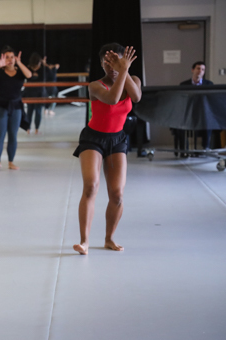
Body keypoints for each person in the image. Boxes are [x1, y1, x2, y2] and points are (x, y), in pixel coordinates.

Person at [72, 43, 142, 255]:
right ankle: (84, 241)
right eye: (107, 61)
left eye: (116, 61)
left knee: (117, 194)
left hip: (117, 139)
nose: (111, 66)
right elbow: (112, 99)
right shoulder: (94, 86)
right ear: (102, 63)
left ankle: (109, 238)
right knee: (91, 186)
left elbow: (137, 97)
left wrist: (124, 69)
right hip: (93, 138)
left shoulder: (133, 80)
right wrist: (123, 69)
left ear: (124, 61)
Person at [0, 46, 32, 170]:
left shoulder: (20, 72)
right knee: (0, 133)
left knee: (13, 135)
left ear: (15, 58)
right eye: (7, 57)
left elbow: (29, 75)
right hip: (0, 106)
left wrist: (20, 63)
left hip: (16, 106)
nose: (10, 60)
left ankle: (11, 162)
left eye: (12, 57)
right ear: (2, 58)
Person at [173, 61, 214, 154]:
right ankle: (184, 149)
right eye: (198, 68)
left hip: (203, 114)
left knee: (209, 121)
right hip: (187, 113)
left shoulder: (209, 84)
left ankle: (206, 147)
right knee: (178, 122)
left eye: (202, 69)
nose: (200, 71)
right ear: (193, 70)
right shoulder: (183, 85)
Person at [24, 52, 47, 135]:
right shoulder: (42, 69)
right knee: (35, 112)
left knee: (32, 112)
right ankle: (34, 129)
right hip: (36, 93)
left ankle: (29, 129)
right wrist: (45, 65)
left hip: (33, 93)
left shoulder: (29, 69)